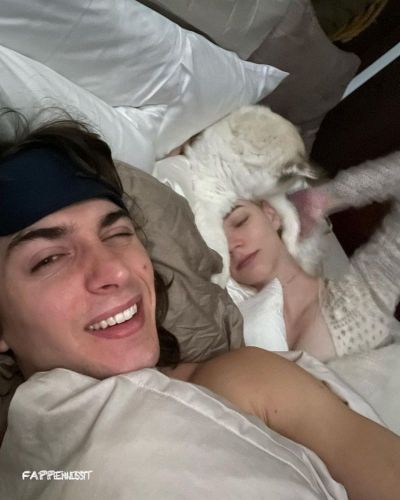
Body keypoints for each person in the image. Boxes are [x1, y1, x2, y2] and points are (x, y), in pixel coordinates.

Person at [0, 115, 399, 500]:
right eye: (49, 259)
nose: (116, 270)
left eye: (118, 233)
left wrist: (324, 198)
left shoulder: (250, 383)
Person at [223, 151, 400, 361]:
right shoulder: (229, 336)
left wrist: (328, 196)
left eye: (240, 221)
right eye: (217, 242)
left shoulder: (364, 296)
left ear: (271, 215)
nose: (232, 245)